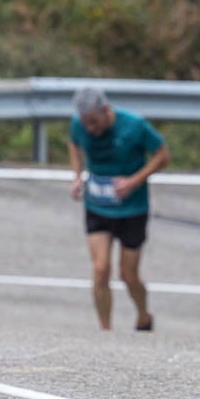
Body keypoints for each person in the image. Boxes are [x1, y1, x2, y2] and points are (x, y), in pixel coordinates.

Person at [67, 86, 170, 332]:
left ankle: (144, 315)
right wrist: (77, 175)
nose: (90, 129)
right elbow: (73, 144)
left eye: (94, 122)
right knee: (100, 269)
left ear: (106, 110)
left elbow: (163, 155)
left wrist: (134, 181)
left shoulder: (134, 125)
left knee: (128, 275)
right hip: (97, 207)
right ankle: (105, 330)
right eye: (86, 123)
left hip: (132, 209)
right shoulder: (78, 125)